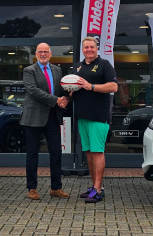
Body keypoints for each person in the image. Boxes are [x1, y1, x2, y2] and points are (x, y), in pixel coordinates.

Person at [20, 43, 70, 200]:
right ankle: (32, 188)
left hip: (53, 117)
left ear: (50, 53)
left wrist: (68, 94)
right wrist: (57, 100)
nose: (43, 54)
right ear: (36, 54)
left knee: (56, 152)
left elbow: (60, 89)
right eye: (40, 52)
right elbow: (33, 91)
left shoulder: (57, 70)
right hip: (34, 117)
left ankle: (56, 188)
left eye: (45, 52)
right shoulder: (29, 71)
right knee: (32, 153)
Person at [72, 36, 118, 203]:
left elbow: (113, 86)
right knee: (89, 153)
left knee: (97, 152)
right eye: (86, 48)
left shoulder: (104, 65)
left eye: (92, 47)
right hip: (82, 116)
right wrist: (69, 91)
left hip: (98, 117)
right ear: (82, 49)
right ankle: (93, 187)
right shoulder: (77, 66)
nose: (89, 50)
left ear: (96, 48)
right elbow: (73, 88)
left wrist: (90, 86)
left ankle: (98, 190)